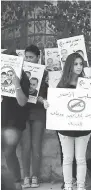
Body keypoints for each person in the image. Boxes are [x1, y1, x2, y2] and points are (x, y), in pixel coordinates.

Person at [44, 53, 90, 190]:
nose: (79, 66)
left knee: (81, 159)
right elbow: (56, 103)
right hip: (65, 127)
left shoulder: (86, 83)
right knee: (68, 158)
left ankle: (81, 187)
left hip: (83, 127)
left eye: (81, 64)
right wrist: (48, 104)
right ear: (70, 65)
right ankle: (68, 187)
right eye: (76, 64)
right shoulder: (61, 84)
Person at [1, 50, 30, 190]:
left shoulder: (23, 78)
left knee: (8, 151)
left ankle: (17, 184)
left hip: (14, 122)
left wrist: (16, 84)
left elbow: (22, 102)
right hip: (2, 118)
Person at [21, 45, 48, 188]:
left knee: (36, 145)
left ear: (38, 57)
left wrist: (42, 99)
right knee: (25, 146)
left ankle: (35, 176)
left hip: (38, 113)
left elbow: (49, 93)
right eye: (26, 57)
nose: (29, 59)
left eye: (31, 57)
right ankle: (26, 177)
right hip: (23, 112)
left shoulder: (45, 73)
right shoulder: (21, 73)